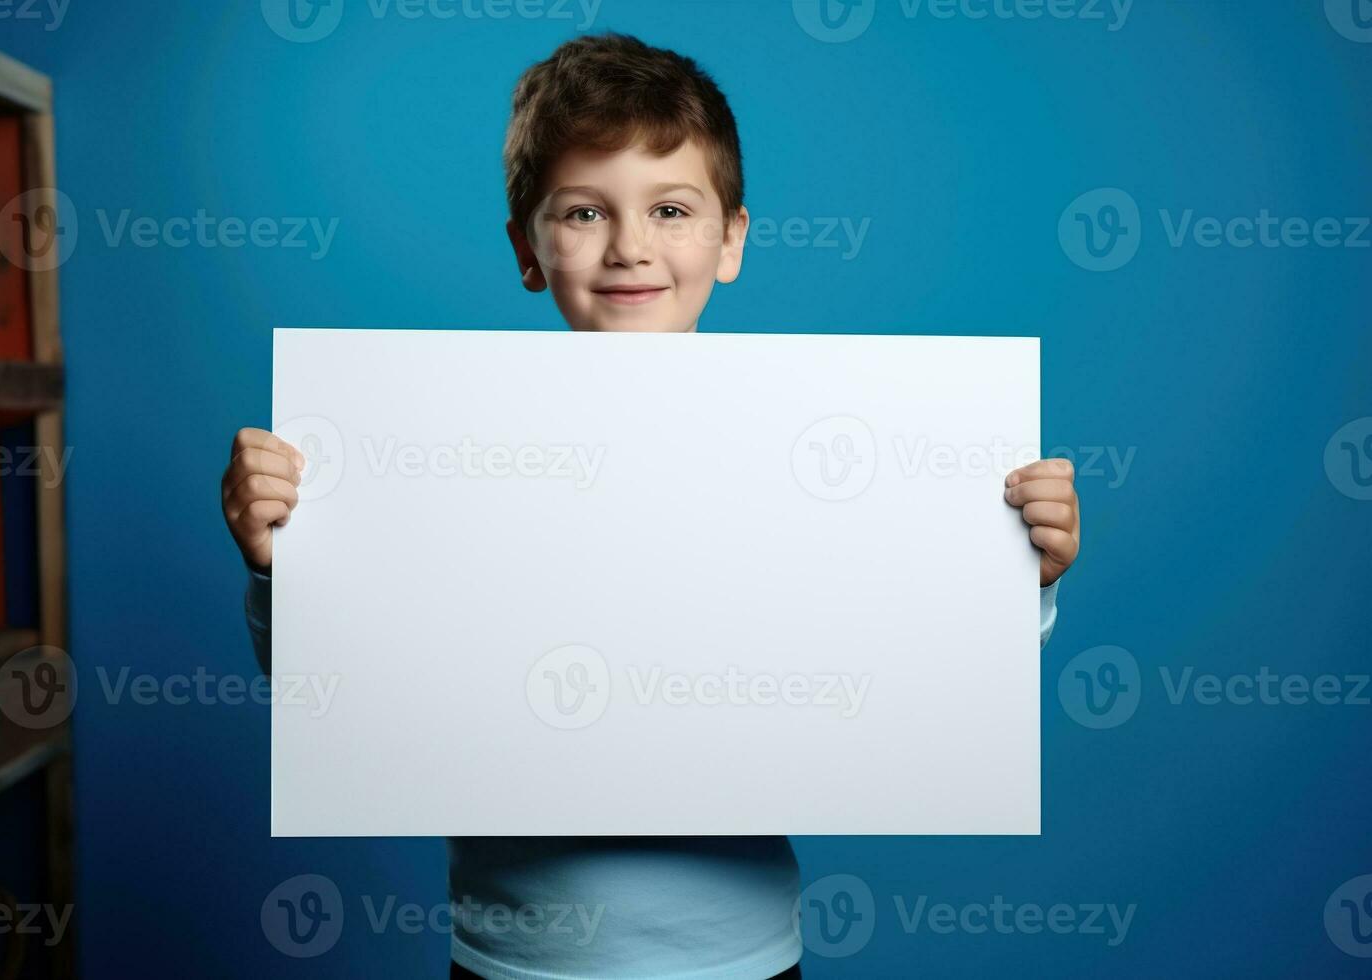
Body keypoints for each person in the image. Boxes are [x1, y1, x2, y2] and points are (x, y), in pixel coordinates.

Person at [220, 33, 1080, 980]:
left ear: (732, 239)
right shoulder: (445, 448)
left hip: (744, 959)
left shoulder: (811, 449)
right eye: (585, 212)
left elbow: (917, 670)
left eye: (671, 209)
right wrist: (279, 563)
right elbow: (344, 688)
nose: (631, 247)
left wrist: (1017, 576)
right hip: (513, 960)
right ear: (528, 248)